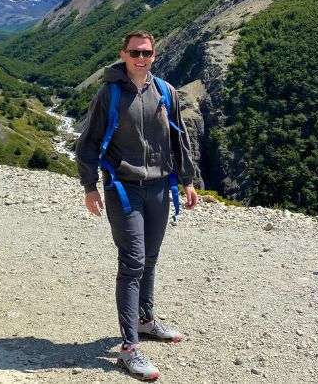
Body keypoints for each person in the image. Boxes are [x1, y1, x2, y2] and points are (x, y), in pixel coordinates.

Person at [75, 30, 199, 381]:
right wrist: (89, 187)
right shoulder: (109, 93)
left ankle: (145, 320)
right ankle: (130, 347)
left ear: (154, 55)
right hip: (123, 189)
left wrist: (187, 180)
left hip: (161, 186)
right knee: (133, 263)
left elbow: (179, 137)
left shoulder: (166, 91)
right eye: (134, 53)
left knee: (151, 258)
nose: (141, 58)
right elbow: (88, 143)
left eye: (146, 53)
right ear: (124, 54)